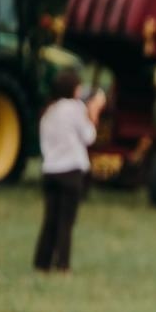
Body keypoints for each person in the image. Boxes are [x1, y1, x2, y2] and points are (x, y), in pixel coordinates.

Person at [34, 70, 104, 273]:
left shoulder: (48, 112)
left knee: (50, 220)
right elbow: (89, 136)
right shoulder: (74, 109)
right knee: (66, 221)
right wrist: (94, 112)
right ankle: (62, 264)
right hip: (71, 171)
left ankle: (42, 262)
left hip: (49, 170)